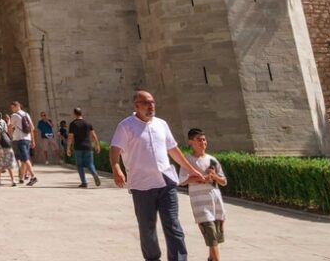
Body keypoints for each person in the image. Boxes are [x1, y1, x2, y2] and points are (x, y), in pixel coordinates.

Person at [111, 91, 205, 261]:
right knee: (147, 228)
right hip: (141, 185)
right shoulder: (126, 126)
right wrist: (116, 168)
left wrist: (191, 169)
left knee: (173, 225)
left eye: (152, 102)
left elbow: (173, 149)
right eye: (146, 102)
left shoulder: (161, 124)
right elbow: (115, 149)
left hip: (166, 181)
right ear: (136, 105)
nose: (151, 105)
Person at [178, 128, 228, 261]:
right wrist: (201, 179)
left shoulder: (212, 160)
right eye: (199, 140)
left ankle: (211, 258)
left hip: (216, 203)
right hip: (201, 205)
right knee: (211, 236)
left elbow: (223, 181)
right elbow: (182, 180)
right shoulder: (187, 160)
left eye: (204, 139)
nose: (202, 142)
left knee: (216, 238)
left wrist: (215, 177)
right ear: (190, 142)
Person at [66, 106, 101, 187]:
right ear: (81, 113)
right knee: (90, 164)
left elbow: (70, 137)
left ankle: (84, 182)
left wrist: (68, 148)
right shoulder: (88, 123)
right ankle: (94, 173)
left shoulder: (73, 124)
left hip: (78, 147)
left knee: (80, 165)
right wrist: (97, 145)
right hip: (88, 147)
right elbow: (93, 135)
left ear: (74, 114)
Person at [9, 100, 38, 185]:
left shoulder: (14, 115)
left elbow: (10, 127)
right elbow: (32, 128)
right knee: (23, 159)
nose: (12, 109)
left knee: (25, 158)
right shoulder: (26, 114)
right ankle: (21, 178)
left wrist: (11, 135)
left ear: (17, 106)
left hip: (19, 139)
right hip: (27, 139)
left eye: (12, 107)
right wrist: (33, 140)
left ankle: (33, 176)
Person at [0, 110, 17, 186]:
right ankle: (13, 180)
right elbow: (8, 132)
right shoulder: (4, 122)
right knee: (9, 163)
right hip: (6, 144)